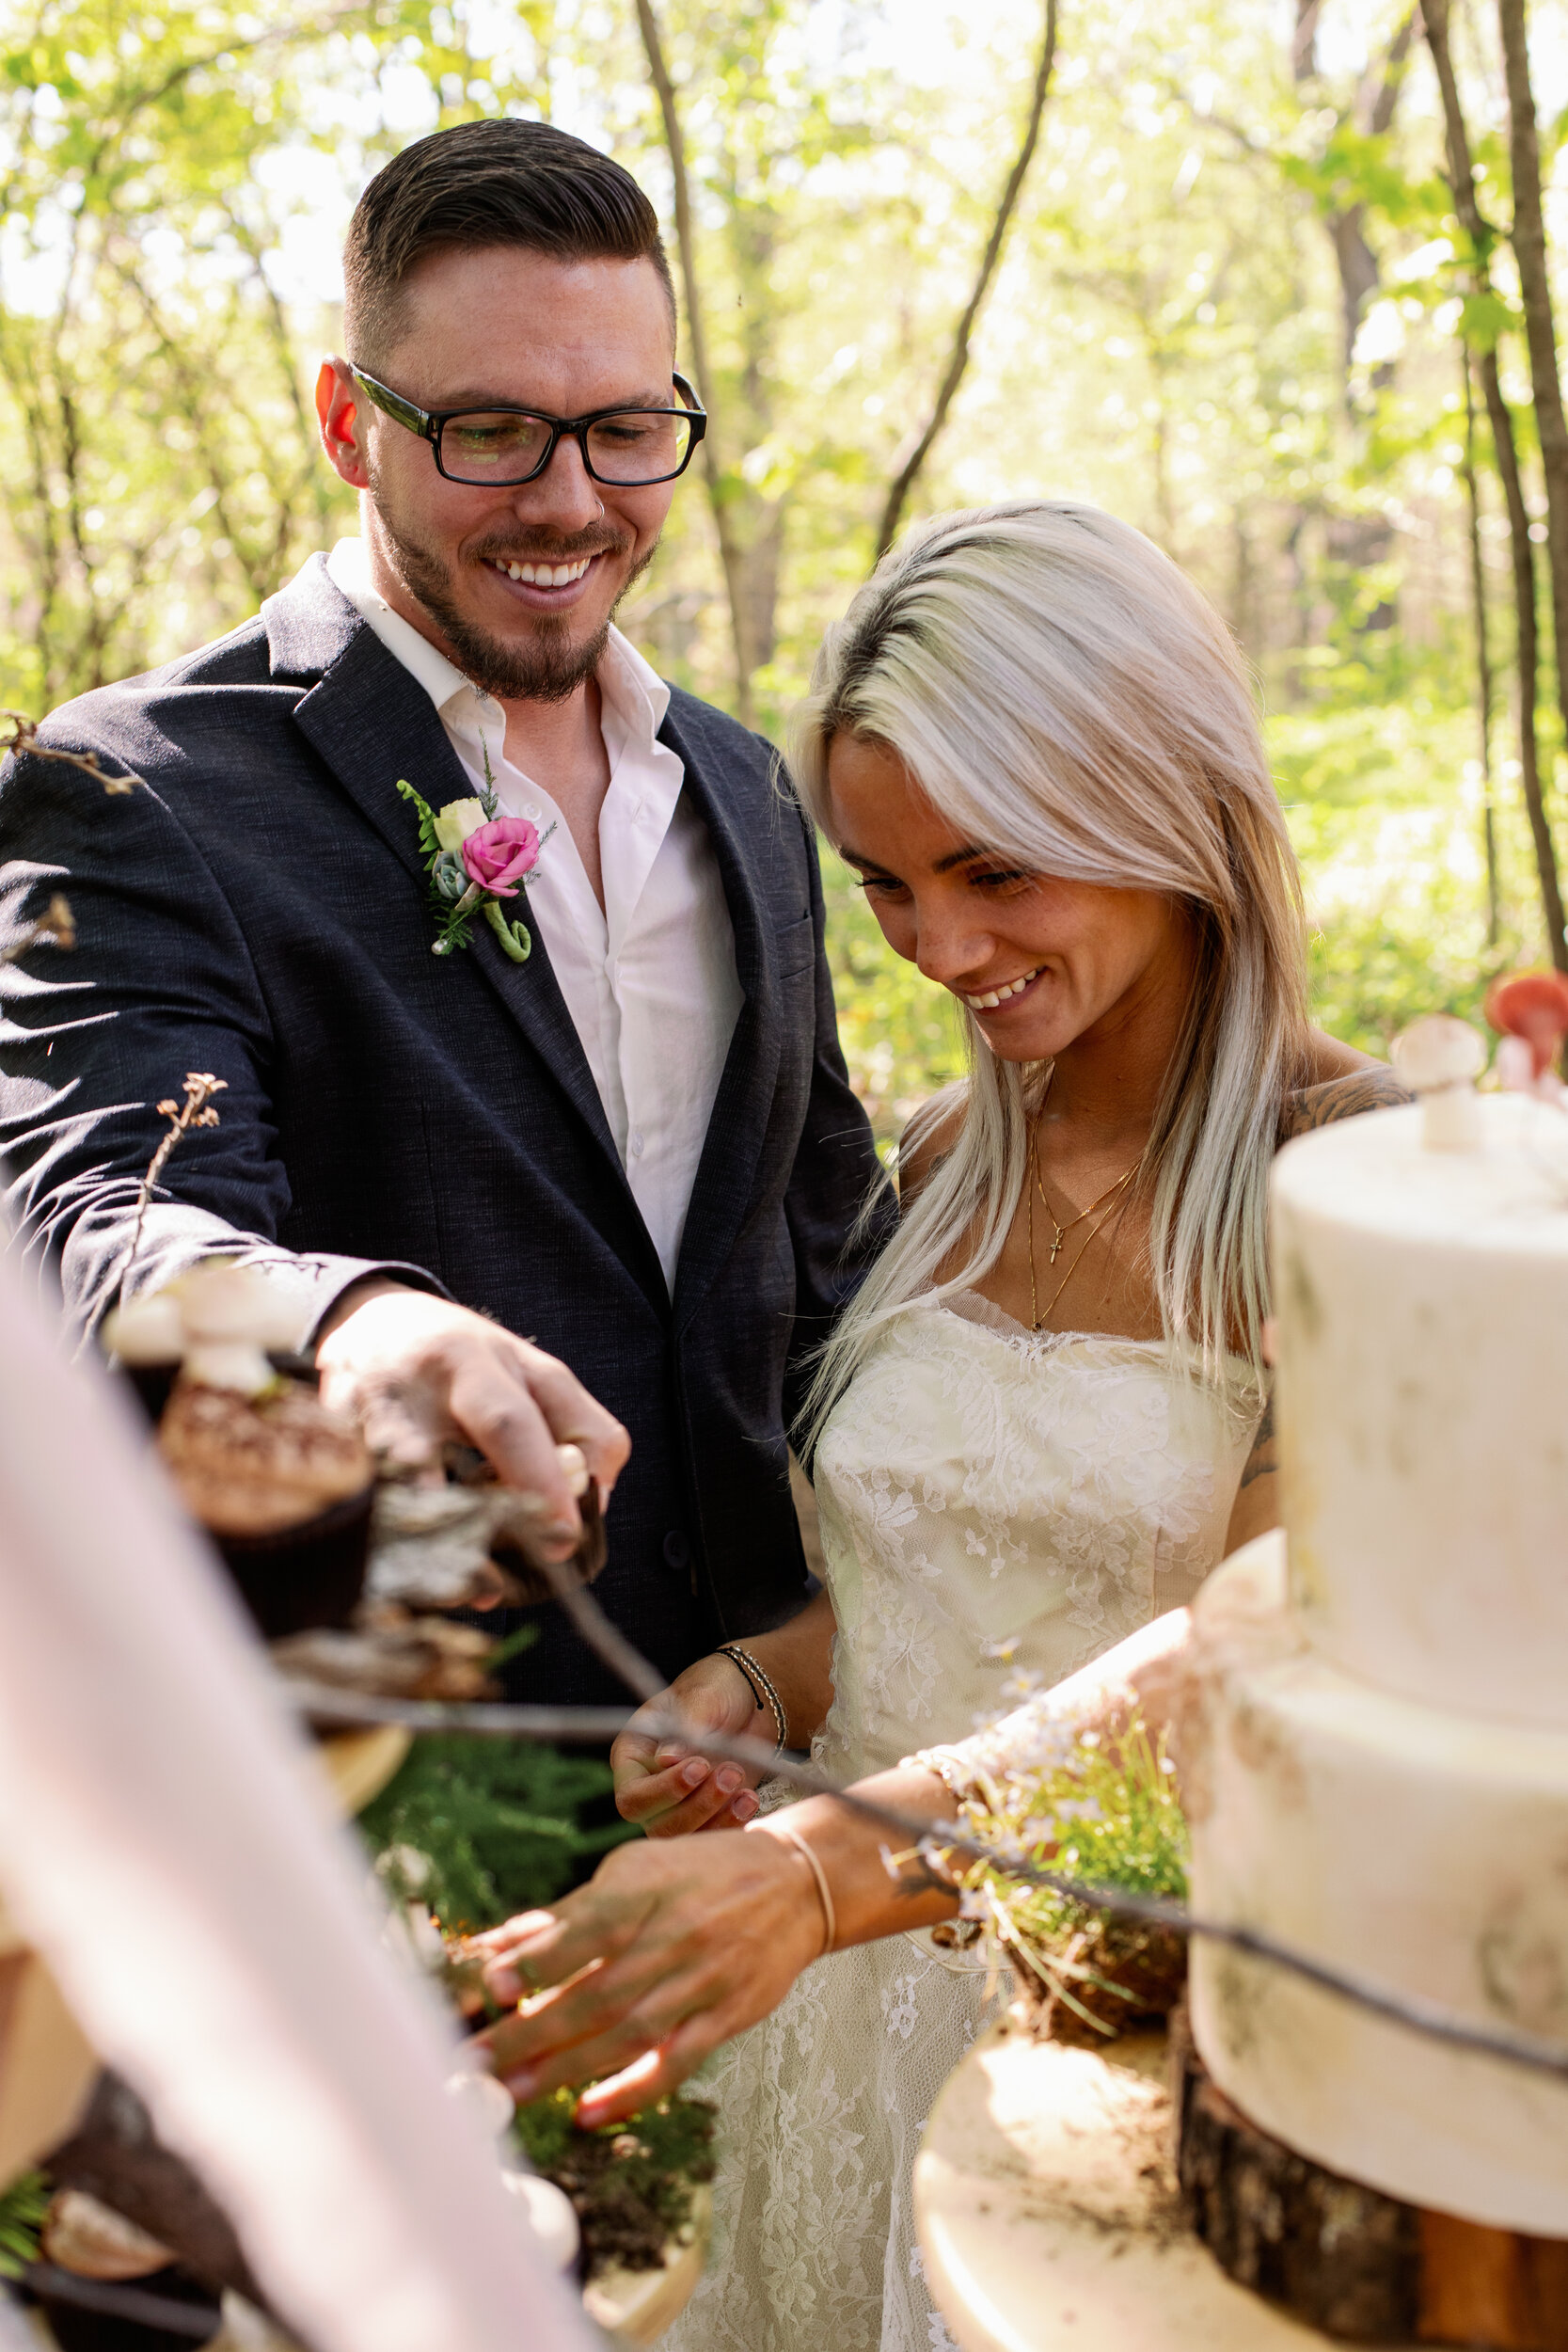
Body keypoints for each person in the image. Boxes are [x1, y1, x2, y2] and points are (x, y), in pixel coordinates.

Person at [465, 501, 1411, 2352]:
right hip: (814, 2007)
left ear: (1163, 808)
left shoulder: (1353, 1185)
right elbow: (941, 1569)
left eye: (995, 869)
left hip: (1091, 2036)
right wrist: (766, 1679)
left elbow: (1260, 1673)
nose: (938, 946)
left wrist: (820, 1872)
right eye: (885, 882)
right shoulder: (940, 1158)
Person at [0, 119, 887, 1706]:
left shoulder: (748, 793)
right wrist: (343, 1322)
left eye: (624, 428)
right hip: (394, 1760)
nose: (568, 502)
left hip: (758, 1735)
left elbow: (827, 1258)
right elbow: (87, 1218)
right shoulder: (138, 788)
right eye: (488, 430)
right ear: (350, 423)